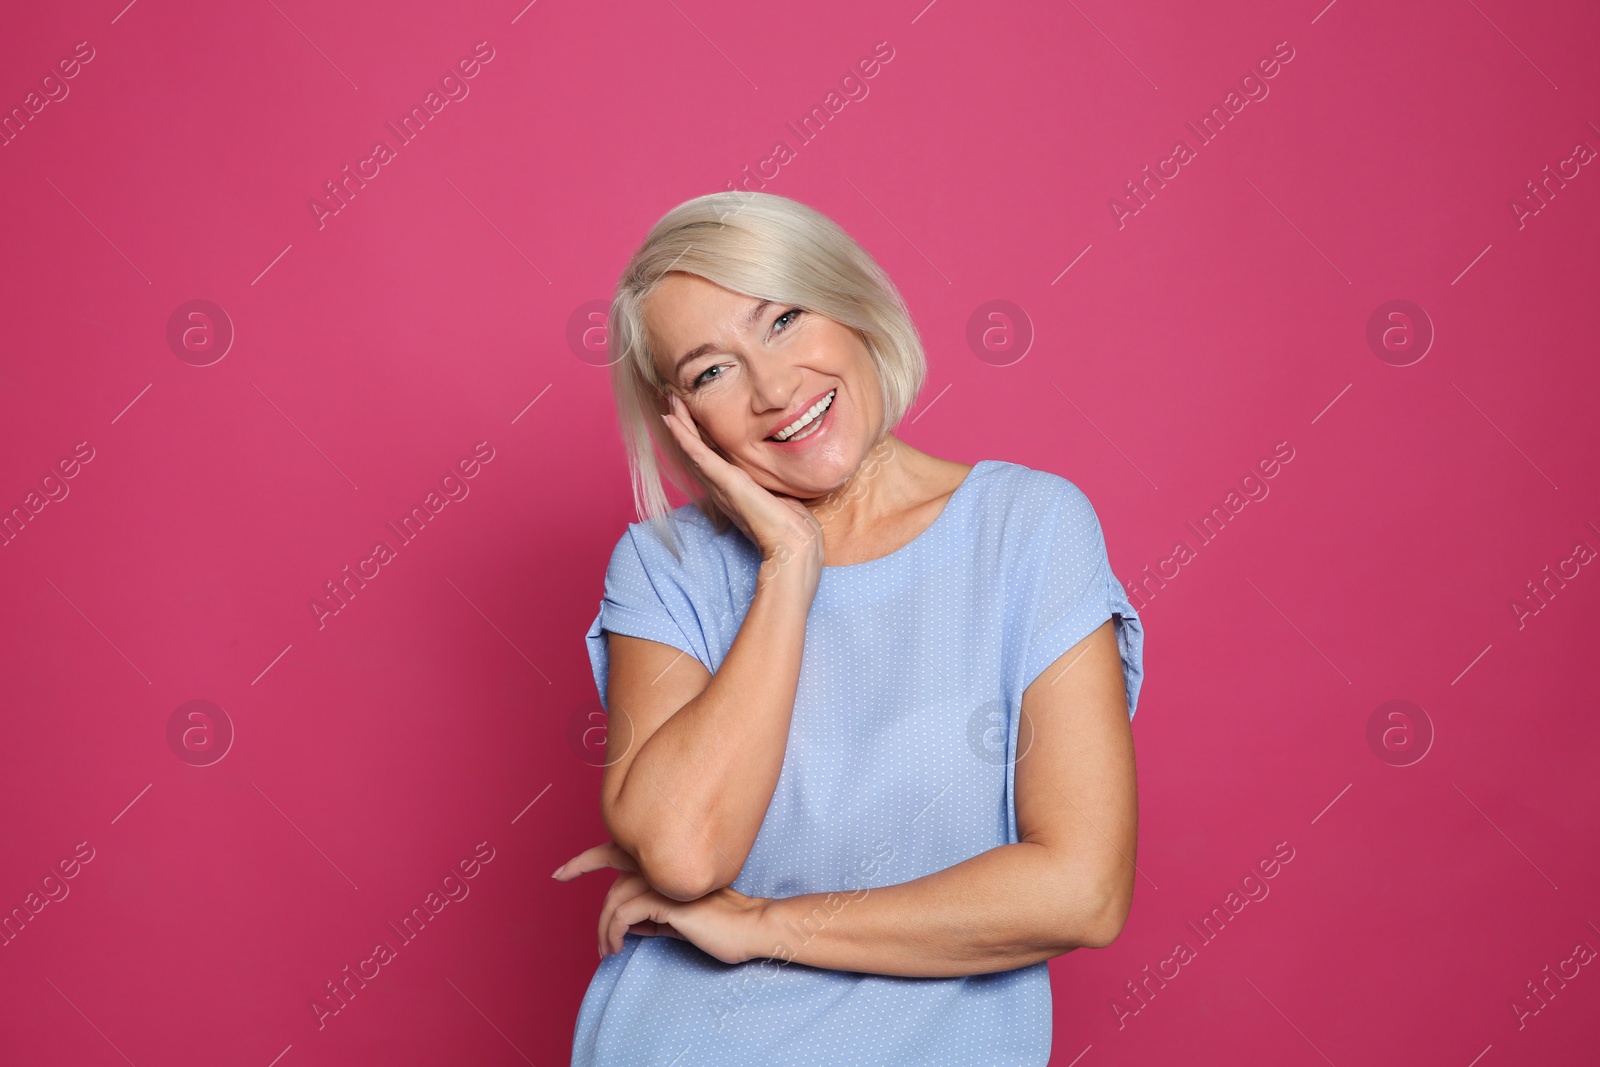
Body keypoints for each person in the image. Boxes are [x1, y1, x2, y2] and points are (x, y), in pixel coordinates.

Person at [554, 190, 1146, 1065]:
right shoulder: (664, 568)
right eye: (711, 370)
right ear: (683, 419)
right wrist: (790, 566)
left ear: (852, 301)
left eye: (785, 319)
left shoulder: (1029, 529)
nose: (773, 387)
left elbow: (1080, 890)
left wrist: (763, 925)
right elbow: (683, 850)